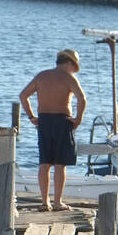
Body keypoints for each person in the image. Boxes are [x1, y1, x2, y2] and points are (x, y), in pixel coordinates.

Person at [18, 49, 87, 211]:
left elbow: (23, 96)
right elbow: (82, 99)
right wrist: (78, 119)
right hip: (63, 122)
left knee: (44, 164)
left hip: (44, 121)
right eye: (74, 66)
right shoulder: (69, 78)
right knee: (59, 164)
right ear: (70, 63)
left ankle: (44, 202)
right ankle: (57, 202)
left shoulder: (41, 76)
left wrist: (31, 117)